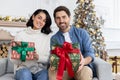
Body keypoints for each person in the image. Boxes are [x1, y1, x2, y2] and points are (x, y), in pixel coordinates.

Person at [49, 6, 95, 80]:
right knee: (52, 72)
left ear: (69, 18)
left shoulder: (82, 33)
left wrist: (84, 61)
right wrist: (53, 62)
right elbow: (53, 55)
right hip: (64, 69)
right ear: (55, 20)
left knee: (85, 72)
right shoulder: (54, 38)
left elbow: (90, 53)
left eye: (64, 17)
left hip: (81, 67)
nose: (61, 20)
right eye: (58, 18)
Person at [10, 9, 52, 80]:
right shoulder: (20, 35)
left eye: (44, 21)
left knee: (44, 75)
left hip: (40, 71)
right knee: (25, 74)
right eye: (39, 18)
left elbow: (49, 59)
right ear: (33, 17)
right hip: (23, 70)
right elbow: (14, 60)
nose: (41, 22)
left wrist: (38, 57)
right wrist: (20, 54)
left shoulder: (47, 38)